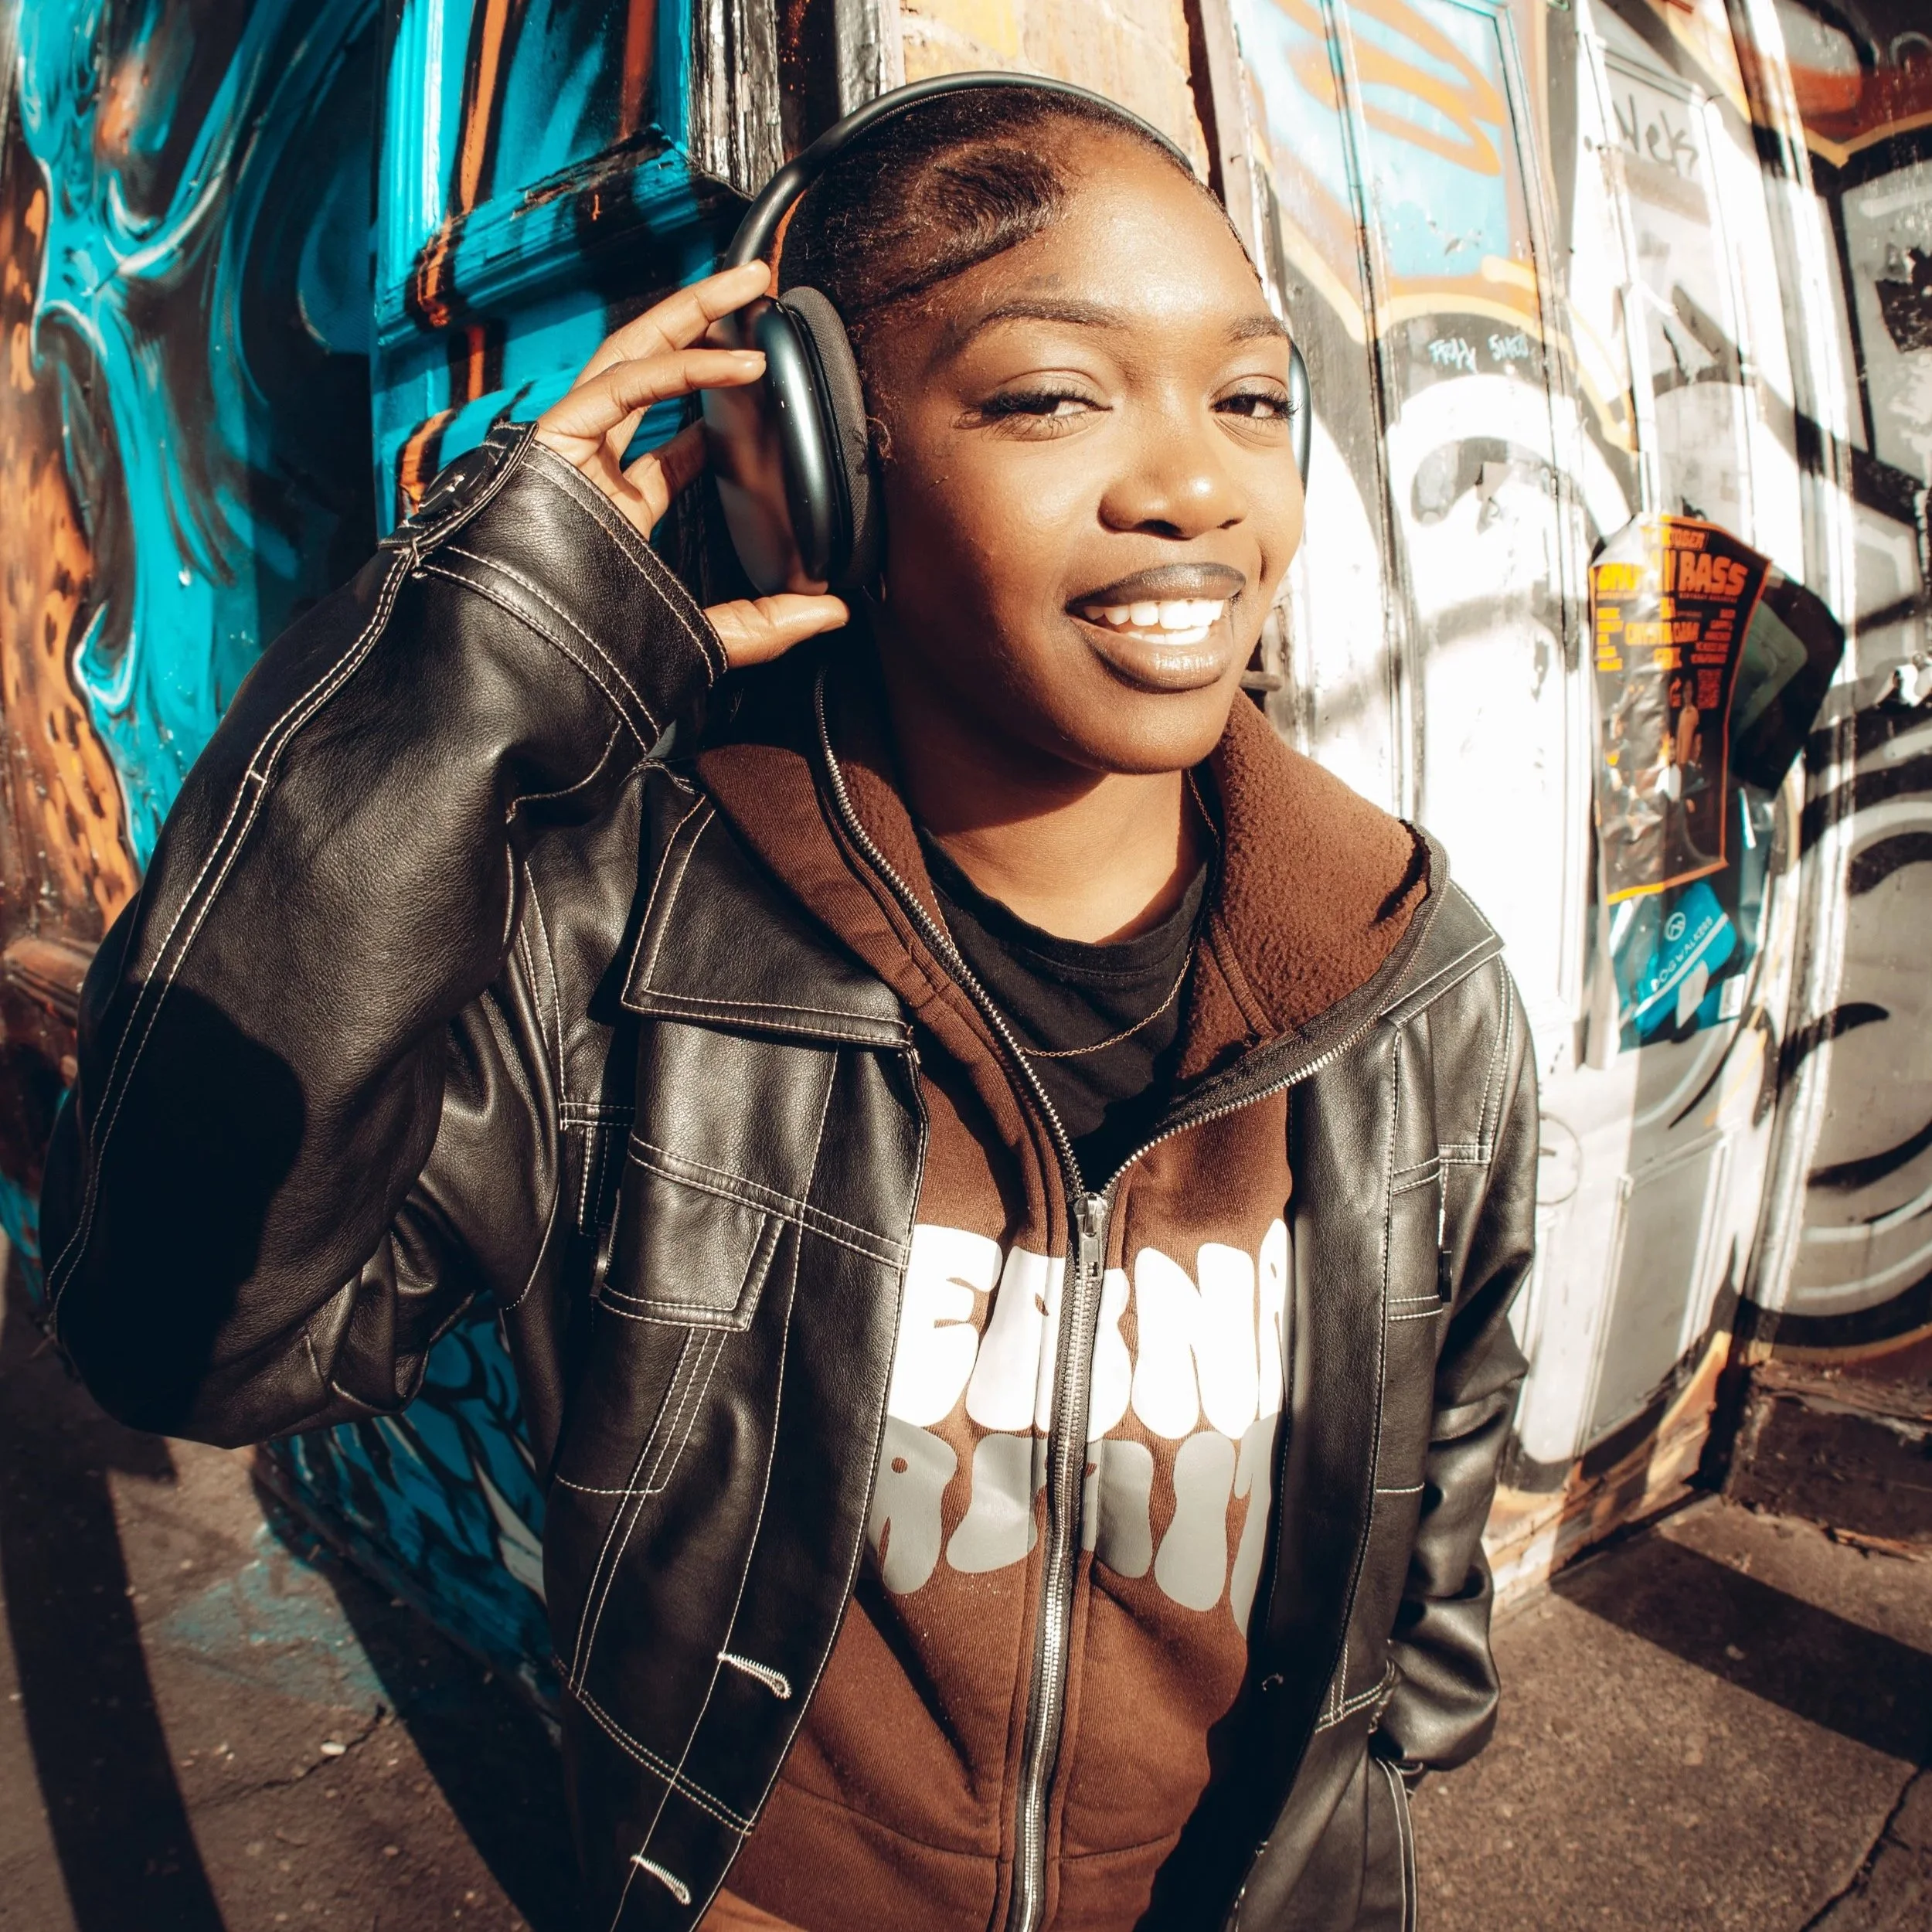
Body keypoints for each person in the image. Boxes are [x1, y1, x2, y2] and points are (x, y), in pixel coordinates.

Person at [39, 78, 1536, 1932]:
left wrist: (1385, 1754)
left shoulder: (1409, 980)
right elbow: (187, 1332)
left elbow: (1443, 1446)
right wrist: (466, 659)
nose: (1197, 486)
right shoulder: (619, 955)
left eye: (1246, 397)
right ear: (816, 458)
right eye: (1054, 395)